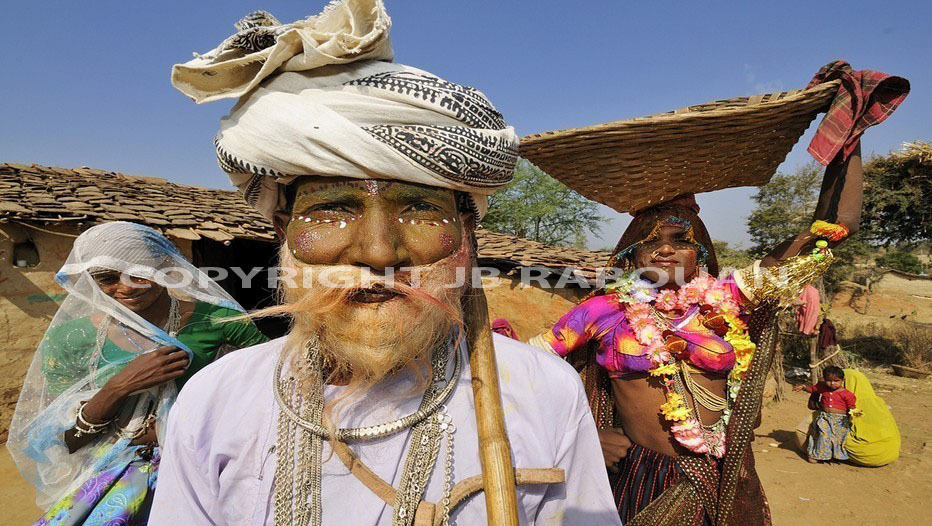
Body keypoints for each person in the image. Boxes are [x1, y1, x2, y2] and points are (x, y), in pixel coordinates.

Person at [151, 2, 620, 525]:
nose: (377, 253)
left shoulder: (541, 393)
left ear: (467, 238)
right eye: (331, 209)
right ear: (283, 235)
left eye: (420, 209)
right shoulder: (217, 400)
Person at [529, 141, 868, 522]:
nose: (665, 250)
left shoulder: (725, 301)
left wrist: (848, 140)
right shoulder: (603, 310)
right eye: (652, 241)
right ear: (630, 254)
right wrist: (583, 438)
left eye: (681, 241)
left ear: (701, 253)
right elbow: (525, 372)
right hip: (641, 475)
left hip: (724, 471)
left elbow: (830, 232)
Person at [7, 221, 267, 524]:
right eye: (107, 278)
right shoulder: (71, 338)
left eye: (139, 273)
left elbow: (268, 394)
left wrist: (173, 429)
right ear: (90, 280)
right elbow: (64, 443)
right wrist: (117, 387)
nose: (127, 286)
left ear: (163, 265)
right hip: (113, 481)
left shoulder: (220, 321)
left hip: (206, 470)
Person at [794, 366, 859, 463]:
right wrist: (803, 387)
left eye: (836, 381)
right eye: (829, 380)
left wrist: (855, 414)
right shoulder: (823, 388)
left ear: (843, 380)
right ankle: (817, 455)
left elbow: (852, 406)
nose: (832, 383)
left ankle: (835, 456)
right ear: (825, 380)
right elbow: (813, 389)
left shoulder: (847, 394)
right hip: (825, 417)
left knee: (838, 438)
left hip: (840, 420)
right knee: (822, 435)